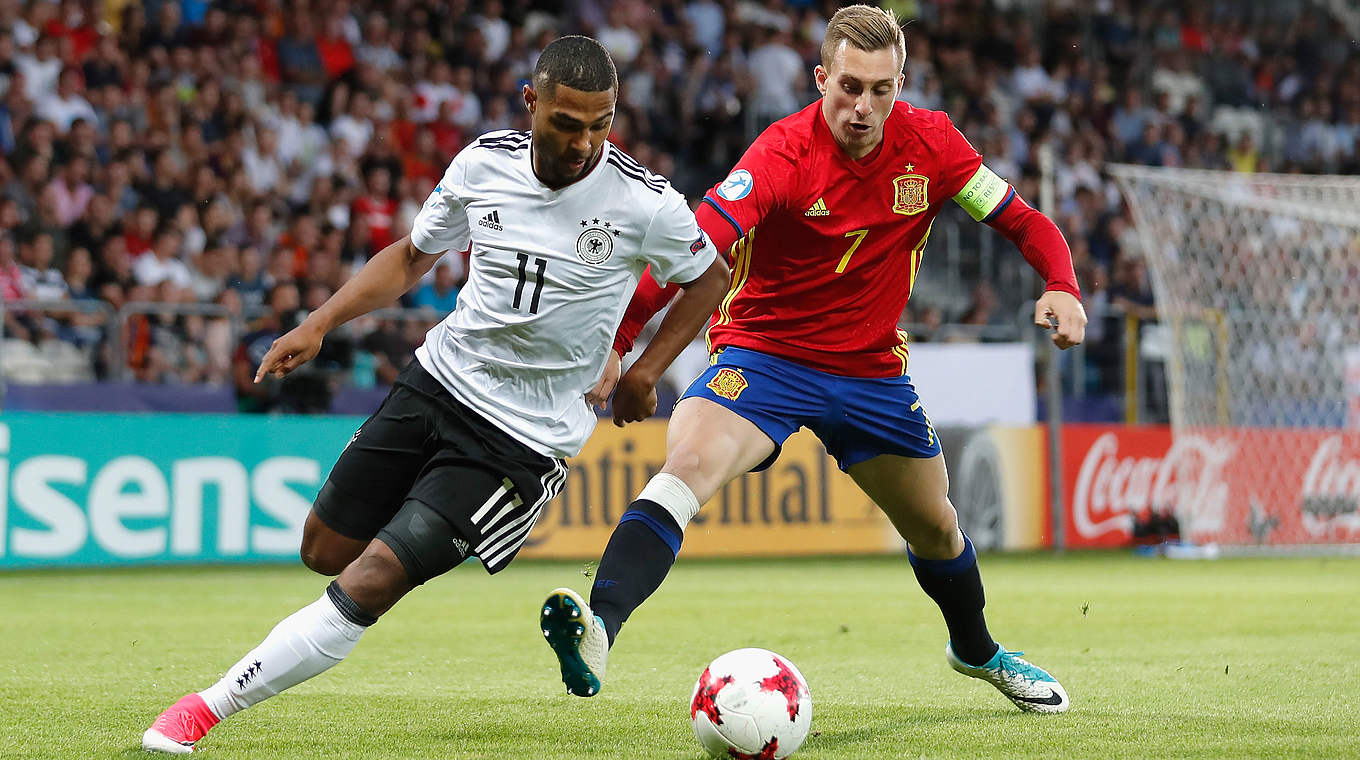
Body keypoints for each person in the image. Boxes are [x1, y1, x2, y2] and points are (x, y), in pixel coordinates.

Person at [141, 35, 729, 754]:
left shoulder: (643, 201)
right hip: (436, 382)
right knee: (322, 549)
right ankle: (417, 530)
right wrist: (320, 322)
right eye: (568, 123)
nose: (584, 143)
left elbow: (710, 275)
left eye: (600, 124)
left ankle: (204, 708)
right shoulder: (483, 162)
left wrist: (641, 367)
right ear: (531, 103)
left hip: (520, 442)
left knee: (372, 576)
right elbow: (414, 256)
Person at [540, 6, 1086, 714]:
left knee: (938, 527)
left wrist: (1063, 287)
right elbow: (690, 253)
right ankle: (599, 630)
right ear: (821, 77)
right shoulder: (781, 153)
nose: (864, 108)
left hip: (871, 375)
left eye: (882, 89)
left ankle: (976, 651)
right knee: (688, 468)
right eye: (850, 87)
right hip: (763, 357)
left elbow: (1024, 220)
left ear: (902, 84)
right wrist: (620, 343)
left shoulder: (934, 145)